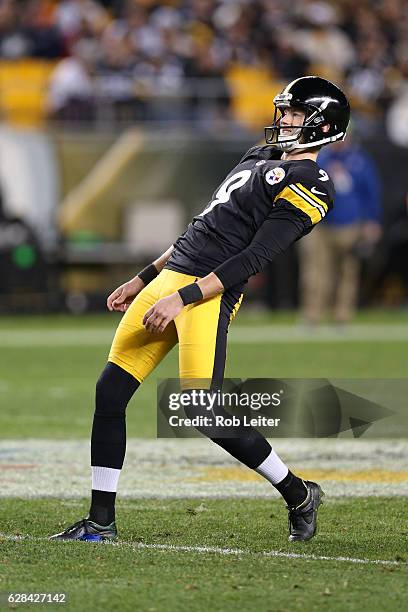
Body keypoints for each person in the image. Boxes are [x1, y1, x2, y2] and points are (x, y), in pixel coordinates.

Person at [50, 76, 350, 543]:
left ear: (322, 127)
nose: (283, 121)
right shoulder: (259, 155)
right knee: (109, 394)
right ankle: (100, 521)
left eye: (293, 115)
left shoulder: (312, 182)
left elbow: (253, 258)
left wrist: (184, 298)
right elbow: (203, 226)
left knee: (201, 411)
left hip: (208, 294)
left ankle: (298, 493)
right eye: (284, 112)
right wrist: (145, 277)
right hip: (171, 281)